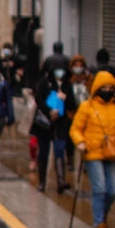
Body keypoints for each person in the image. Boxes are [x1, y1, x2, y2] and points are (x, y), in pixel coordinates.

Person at [70, 71, 115, 228]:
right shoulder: (87, 106)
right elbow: (75, 128)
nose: (107, 91)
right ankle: (99, 224)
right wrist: (80, 142)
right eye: (104, 87)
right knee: (100, 188)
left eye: (110, 88)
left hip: (114, 152)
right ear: (97, 89)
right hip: (92, 152)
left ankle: (102, 213)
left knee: (114, 190)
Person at [30, 59, 77, 193]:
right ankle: (42, 181)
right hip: (45, 123)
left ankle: (61, 181)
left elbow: (72, 104)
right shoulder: (45, 83)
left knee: (59, 150)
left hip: (61, 124)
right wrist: (50, 111)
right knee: (43, 152)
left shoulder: (67, 85)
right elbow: (39, 100)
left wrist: (65, 98)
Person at [67, 55, 93, 170]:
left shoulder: (89, 79)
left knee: (85, 138)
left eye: (80, 66)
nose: (78, 68)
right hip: (72, 113)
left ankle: (85, 161)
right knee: (71, 139)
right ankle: (70, 160)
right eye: (76, 66)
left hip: (86, 113)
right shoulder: (69, 79)